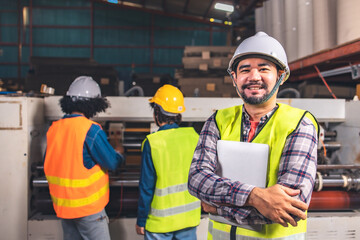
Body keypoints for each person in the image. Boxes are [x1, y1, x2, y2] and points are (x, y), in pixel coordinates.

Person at [188, 32, 319, 240]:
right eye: (245, 69)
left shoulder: (299, 124)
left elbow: (288, 208)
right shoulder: (218, 121)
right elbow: (196, 179)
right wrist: (255, 197)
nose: (254, 77)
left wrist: (216, 208)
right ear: (234, 78)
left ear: (281, 76)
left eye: (264, 69)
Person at [44, 76, 124, 240]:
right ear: (93, 104)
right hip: (88, 209)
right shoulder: (90, 130)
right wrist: (119, 152)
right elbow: (112, 162)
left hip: (64, 207)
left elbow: (56, 160)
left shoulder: (54, 129)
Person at [135, 84, 201, 240]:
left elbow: (146, 187)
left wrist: (141, 220)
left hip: (160, 224)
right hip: (188, 220)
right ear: (179, 114)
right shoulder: (194, 138)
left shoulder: (152, 143)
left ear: (157, 113)